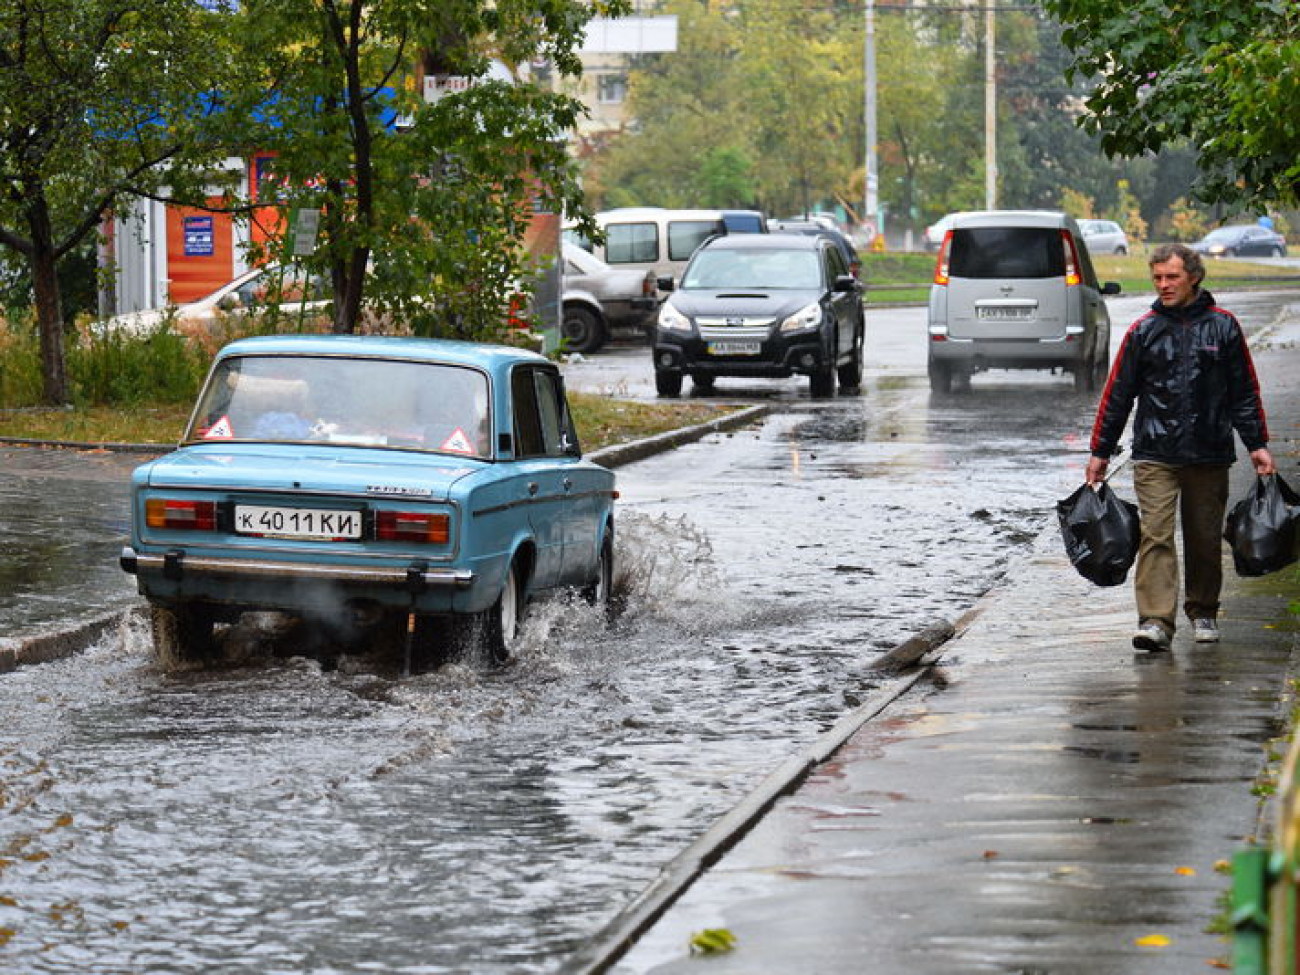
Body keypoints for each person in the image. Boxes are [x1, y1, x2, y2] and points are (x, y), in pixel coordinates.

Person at [1085, 242, 1275, 651]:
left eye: (1171, 277)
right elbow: (1118, 395)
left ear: (1193, 276)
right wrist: (1100, 452)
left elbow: (1243, 392)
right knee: (1155, 535)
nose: (1163, 285)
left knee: (1204, 536)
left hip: (1209, 451)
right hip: (1156, 452)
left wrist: (1257, 444)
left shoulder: (1223, 327)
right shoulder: (1143, 331)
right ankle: (1155, 621)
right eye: (1157, 278)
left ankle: (1203, 610)